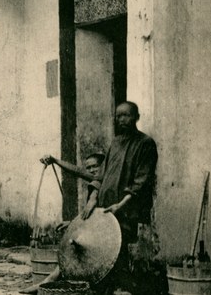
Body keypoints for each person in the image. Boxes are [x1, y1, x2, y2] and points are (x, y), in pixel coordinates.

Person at [27, 102, 158, 294]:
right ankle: (59, 280)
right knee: (93, 249)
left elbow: (141, 181)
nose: (121, 120)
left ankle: (119, 289)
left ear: (136, 117)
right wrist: (92, 200)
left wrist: (120, 205)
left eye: (126, 116)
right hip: (103, 210)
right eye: (118, 116)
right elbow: (100, 177)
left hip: (125, 210)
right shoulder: (115, 142)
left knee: (114, 253)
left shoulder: (145, 143)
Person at [20, 152, 105, 294]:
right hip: (94, 229)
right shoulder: (96, 183)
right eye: (88, 167)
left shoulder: (107, 184)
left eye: (95, 166)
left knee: (74, 248)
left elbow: (98, 217)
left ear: (104, 166)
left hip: (105, 232)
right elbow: (78, 171)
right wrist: (72, 223)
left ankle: (50, 280)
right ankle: (53, 279)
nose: (91, 170)